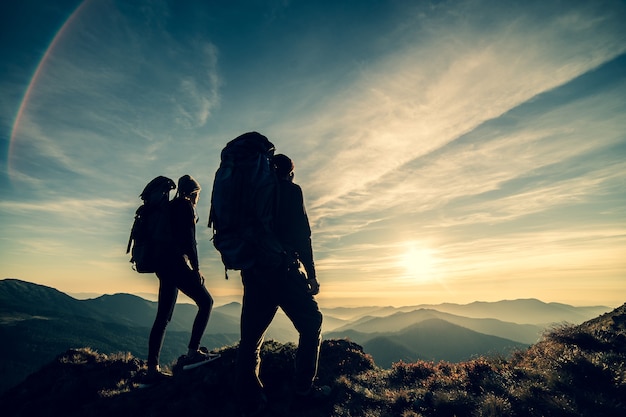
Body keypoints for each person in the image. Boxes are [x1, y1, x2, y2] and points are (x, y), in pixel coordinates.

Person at [236, 154, 328, 416]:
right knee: (312, 323)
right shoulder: (291, 191)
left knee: (251, 340)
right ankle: (302, 390)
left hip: (253, 273)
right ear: (290, 173)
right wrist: (311, 275)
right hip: (283, 270)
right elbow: (303, 235)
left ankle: (249, 400)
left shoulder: (250, 194)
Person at [145, 174, 219, 382]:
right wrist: (196, 269)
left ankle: (152, 368)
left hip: (163, 266)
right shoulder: (185, 207)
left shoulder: (168, 207)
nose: (197, 199)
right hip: (176, 265)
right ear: (194, 193)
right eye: (198, 195)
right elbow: (190, 241)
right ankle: (193, 353)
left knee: (163, 316)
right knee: (206, 302)